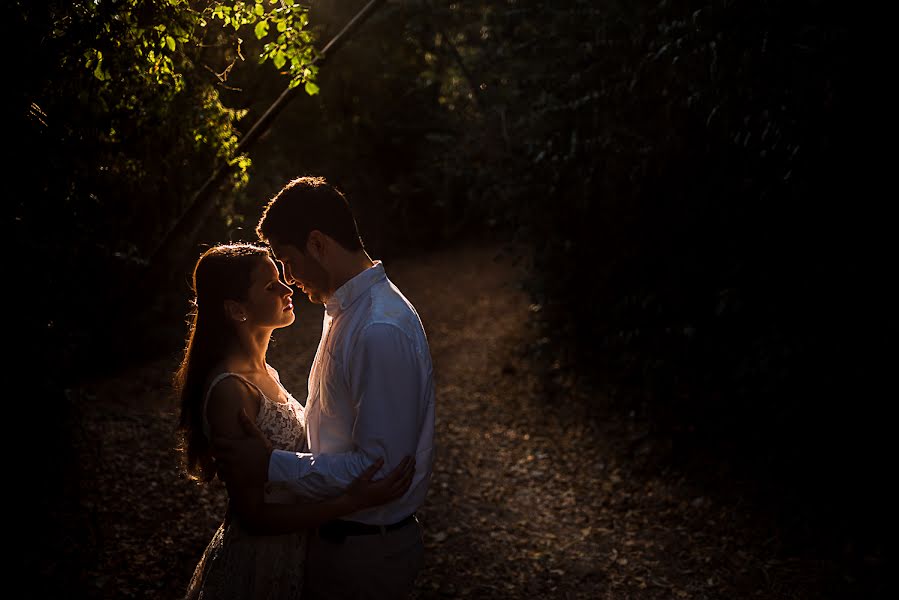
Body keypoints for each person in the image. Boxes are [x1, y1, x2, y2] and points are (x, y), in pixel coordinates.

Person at [212, 176, 436, 600]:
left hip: (364, 556)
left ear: (317, 243)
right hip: (338, 541)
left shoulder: (378, 328)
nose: (290, 279)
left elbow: (382, 470)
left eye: (289, 262)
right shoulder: (346, 310)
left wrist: (271, 464)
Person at [174, 242, 415, 600]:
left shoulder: (264, 372)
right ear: (236, 309)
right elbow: (253, 515)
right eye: (271, 285)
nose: (288, 287)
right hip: (261, 565)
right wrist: (352, 501)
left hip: (299, 554)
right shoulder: (231, 391)